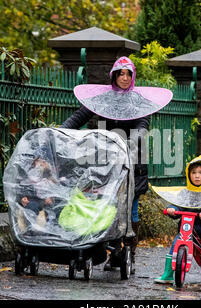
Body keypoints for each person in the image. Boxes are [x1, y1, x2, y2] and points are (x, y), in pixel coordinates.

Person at [60, 56, 161, 274]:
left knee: (129, 208)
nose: (124, 78)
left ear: (133, 76)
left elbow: (143, 125)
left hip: (132, 163)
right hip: (105, 165)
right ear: (113, 76)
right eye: (120, 73)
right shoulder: (104, 99)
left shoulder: (139, 101)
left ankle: (127, 252)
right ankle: (107, 247)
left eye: (128, 74)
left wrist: (132, 141)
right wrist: (61, 131)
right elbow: (80, 115)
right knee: (105, 205)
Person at [153, 156, 201, 286]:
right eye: (193, 173)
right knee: (175, 245)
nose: (197, 176)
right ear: (188, 175)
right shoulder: (185, 193)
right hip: (187, 228)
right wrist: (172, 209)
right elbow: (179, 204)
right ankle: (168, 274)